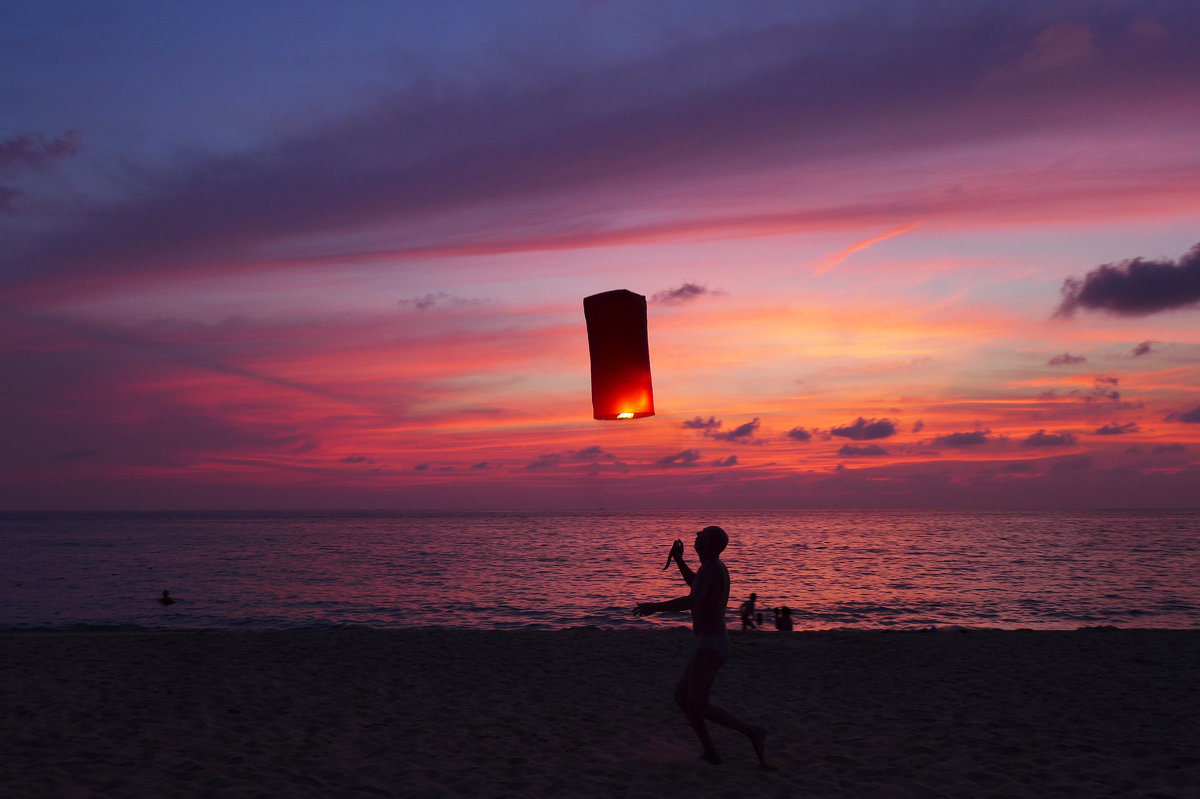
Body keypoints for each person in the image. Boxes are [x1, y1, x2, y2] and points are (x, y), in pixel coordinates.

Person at [634, 526, 773, 768]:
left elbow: (692, 600)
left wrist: (654, 607)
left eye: (701, 535)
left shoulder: (711, 568)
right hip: (710, 643)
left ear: (707, 544)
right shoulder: (710, 568)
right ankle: (710, 752)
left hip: (712, 644)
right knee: (682, 697)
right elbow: (696, 586)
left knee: (697, 702)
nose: (695, 536)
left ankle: (752, 731)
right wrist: (679, 561)